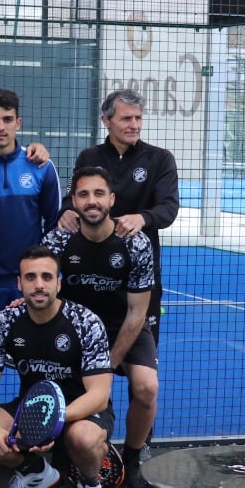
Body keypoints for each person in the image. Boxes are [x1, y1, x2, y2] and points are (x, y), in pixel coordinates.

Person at [0, 246, 114, 488]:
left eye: (46, 277)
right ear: (19, 283)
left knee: (84, 439)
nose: (38, 284)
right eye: (30, 277)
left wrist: (50, 422)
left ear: (58, 282)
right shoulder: (4, 323)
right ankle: (34, 472)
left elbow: (99, 396)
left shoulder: (85, 322)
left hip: (81, 410)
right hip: (33, 406)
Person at [44, 166, 158, 488]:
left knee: (147, 387)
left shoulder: (135, 242)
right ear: (74, 201)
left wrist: (107, 365)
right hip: (75, 328)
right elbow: (47, 292)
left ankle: (133, 460)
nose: (91, 201)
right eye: (83, 194)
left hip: (124, 325)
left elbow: (138, 312)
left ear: (111, 199)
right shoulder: (58, 239)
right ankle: (61, 456)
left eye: (98, 194)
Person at [61, 88, 179, 348]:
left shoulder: (160, 159)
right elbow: (72, 197)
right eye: (126, 119)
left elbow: (168, 209)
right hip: (92, 269)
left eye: (138, 118)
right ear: (107, 121)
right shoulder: (89, 157)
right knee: (84, 351)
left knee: (142, 376)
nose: (134, 125)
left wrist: (142, 218)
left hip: (140, 271)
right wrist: (67, 210)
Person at [0, 88, 61, 320]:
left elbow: (54, 229)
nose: (1, 127)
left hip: (29, 285)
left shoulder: (42, 167)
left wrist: (48, 278)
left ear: (18, 123)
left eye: (7, 120)